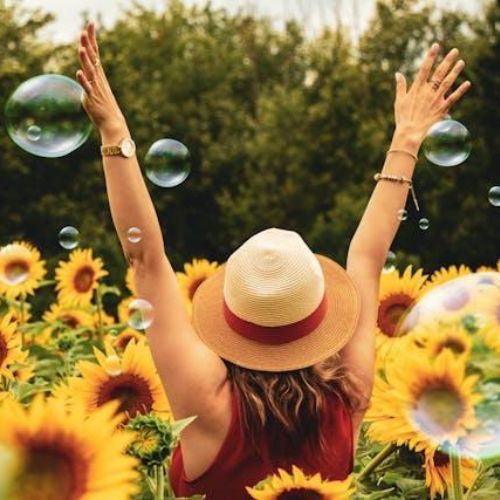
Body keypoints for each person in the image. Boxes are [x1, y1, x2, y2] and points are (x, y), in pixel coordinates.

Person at [76, 22, 470, 499]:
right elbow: (366, 258)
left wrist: (115, 133)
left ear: (232, 315)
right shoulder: (348, 399)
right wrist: (407, 138)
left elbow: (145, 260)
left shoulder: (208, 403)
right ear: (318, 314)